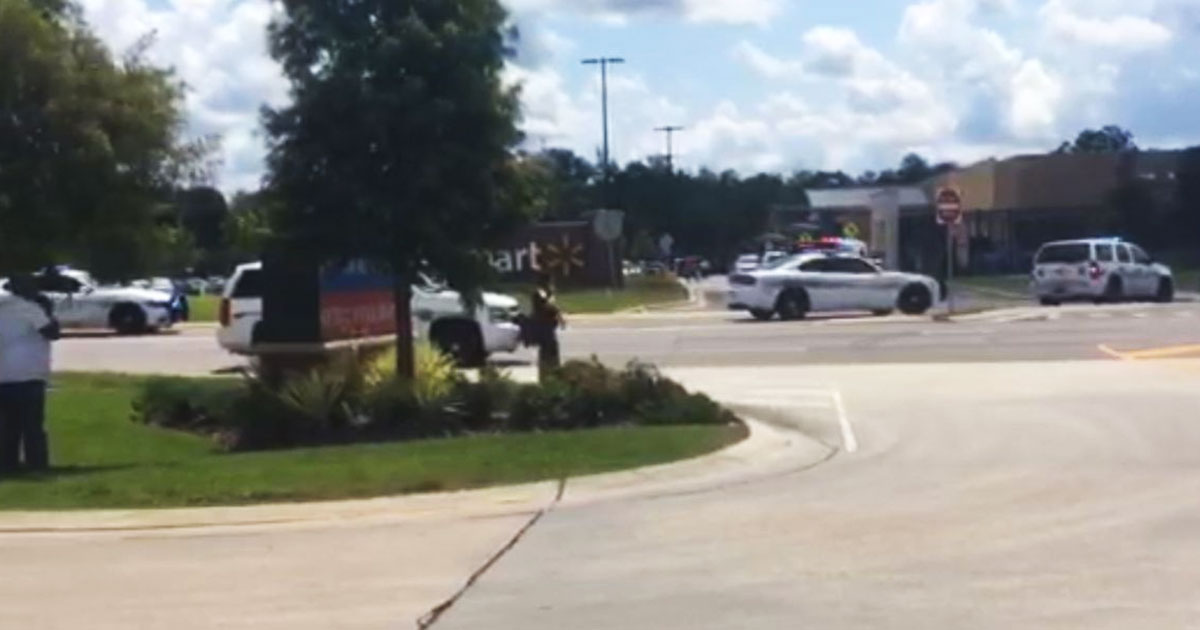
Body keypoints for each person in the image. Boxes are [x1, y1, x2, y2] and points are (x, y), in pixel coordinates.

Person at [0, 274, 60, 474]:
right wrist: (49, 314)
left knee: (8, 426)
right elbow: (51, 332)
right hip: (29, 374)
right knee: (32, 425)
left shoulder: (3, 307)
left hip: (4, 375)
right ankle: (37, 465)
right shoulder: (30, 308)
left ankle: (8, 464)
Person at [530, 272, 564, 378]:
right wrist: (553, 301)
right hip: (545, 328)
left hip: (547, 328)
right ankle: (549, 374)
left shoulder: (544, 293)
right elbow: (549, 306)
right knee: (549, 350)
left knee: (548, 350)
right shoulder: (541, 293)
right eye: (551, 282)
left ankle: (549, 373)